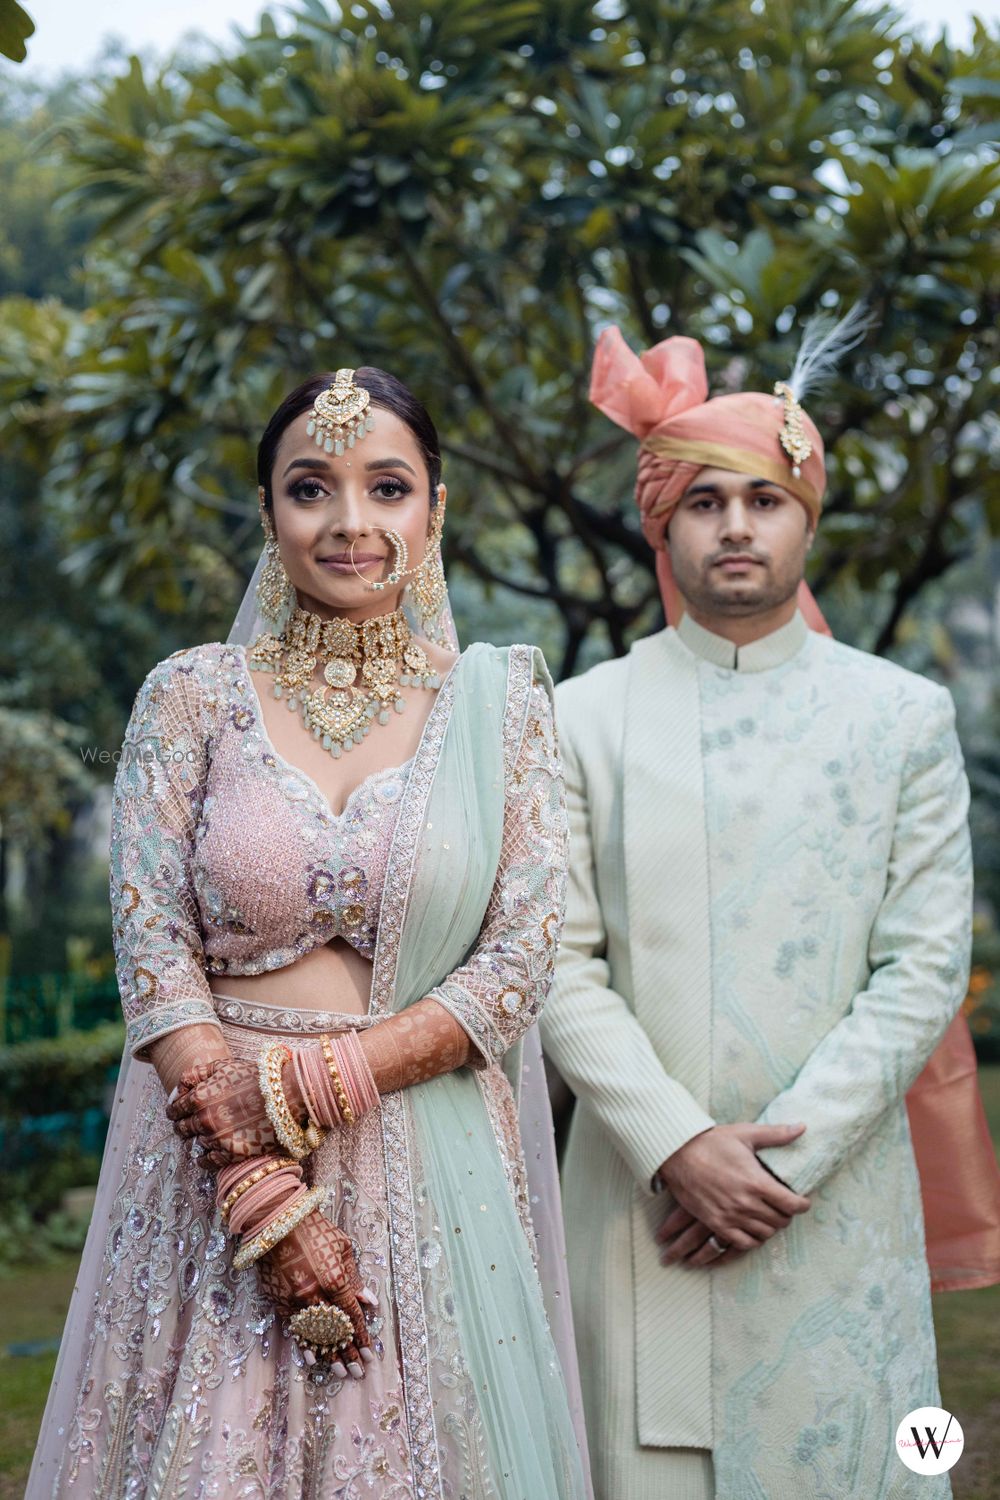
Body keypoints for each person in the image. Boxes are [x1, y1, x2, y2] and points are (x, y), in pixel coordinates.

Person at [27, 367, 591, 1499]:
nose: (349, 523)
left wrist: (304, 1091)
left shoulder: (500, 707)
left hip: (424, 1159)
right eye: (309, 488)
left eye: (387, 488)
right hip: (202, 1166)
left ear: (435, 511)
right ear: (268, 512)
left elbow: (519, 958)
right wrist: (259, 1183)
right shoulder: (190, 695)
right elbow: (151, 946)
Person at [540, 324, 999, 1499]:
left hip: (836, 1201)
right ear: (662, 524)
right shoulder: (581, 717)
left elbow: (922, 965)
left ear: (807, 519)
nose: (735, 526)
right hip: (641, 1203)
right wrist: (678, 1146)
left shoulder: (900, 718)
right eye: (702, 501)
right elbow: (551, 961)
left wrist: (781, 1165)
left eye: (764, 499)